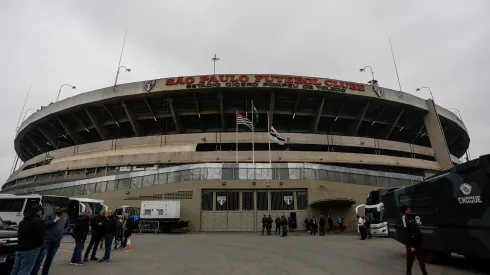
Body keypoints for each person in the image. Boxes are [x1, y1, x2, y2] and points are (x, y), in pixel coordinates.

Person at [31, 203, 69, 275]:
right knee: (40, 259)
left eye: (60, 207)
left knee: (49, 260)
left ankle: (45, 273)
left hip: (57, 241)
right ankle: (33, 273)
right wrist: (54, 221)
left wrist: (64, 232)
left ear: (64, 208)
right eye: (57, 206)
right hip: (47, 240)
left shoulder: (66, 216)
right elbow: (44, 223)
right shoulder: (50, 214)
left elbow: (67, 225)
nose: (58, 208)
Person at [10, 204, 44, 275]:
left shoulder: (23, 221)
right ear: (38, 211)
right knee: (25, 271)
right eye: (41, 211)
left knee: (15, 269)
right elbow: (40, 236)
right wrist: (39, 246)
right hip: (30, 250)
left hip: (19, 248)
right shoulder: (38, 221)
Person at [401, 206, 429, 275]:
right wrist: (410, 243)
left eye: (410, 209)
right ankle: (408, 272)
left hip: (418, 242)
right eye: (407, 209)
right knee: (410, 259)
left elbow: (416, 229)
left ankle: (424, 272)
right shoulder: (404, 218)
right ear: (404, 211)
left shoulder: (412, 217)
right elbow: (405, 231)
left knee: (421, 259)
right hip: (411, 244)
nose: (409, 210)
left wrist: (420, 237)